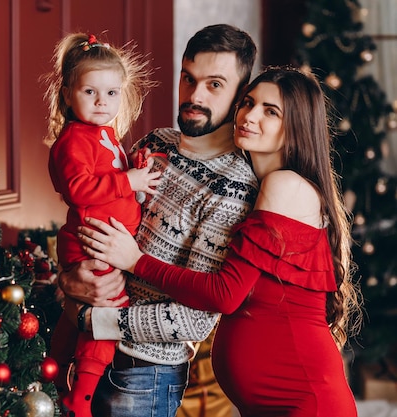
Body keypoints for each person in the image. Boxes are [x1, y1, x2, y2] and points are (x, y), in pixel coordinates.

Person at [78, 66, 363, 417]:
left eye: (270, 111)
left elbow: (224, 295)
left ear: (296, 128)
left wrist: (136, 261)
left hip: (303, 400)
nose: (249, 115)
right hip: (266, 404)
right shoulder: (257, 186)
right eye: (248, 102)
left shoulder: (285, 185)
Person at [58, 24, 259, 417]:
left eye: (215, 85)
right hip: (80, 349)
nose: (194, 96)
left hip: (142, 374)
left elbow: (195, 320)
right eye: (189, 78)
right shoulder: (154, 143)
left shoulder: (233, 188)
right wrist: (69, 280)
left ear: (240, 96)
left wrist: (91, 318)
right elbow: (87, 219)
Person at [43, 32, 160, 417]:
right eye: (90, 91)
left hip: (104, 236)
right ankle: (81, 401)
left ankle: (56, 371)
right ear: (67, 93)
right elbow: (79, 189)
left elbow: (111, 183)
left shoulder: (105, 135)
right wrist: (130, 181)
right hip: (94, 241)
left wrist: (134, 168)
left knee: (80, 310)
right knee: (107, 316)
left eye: (111, 93)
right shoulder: (74, 140)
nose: (101, 102)